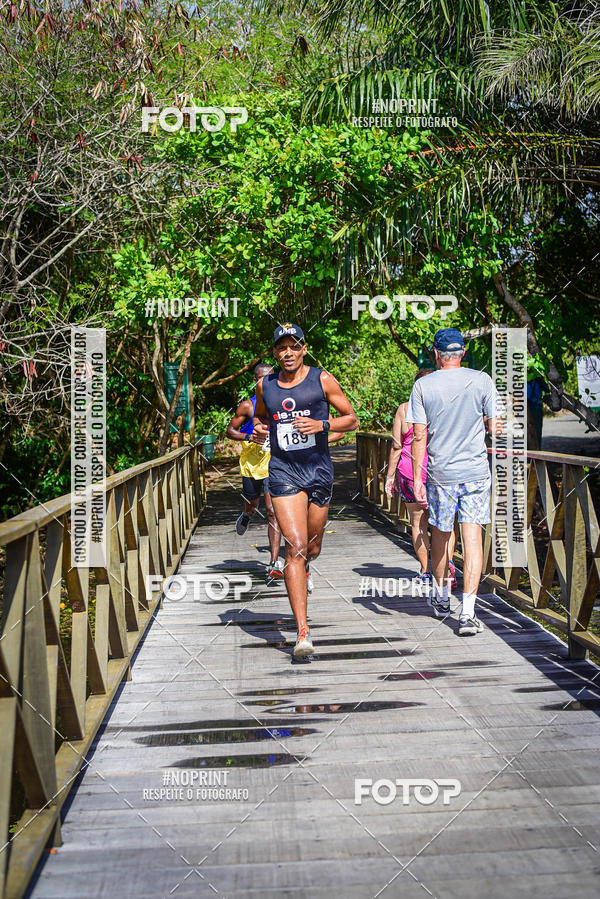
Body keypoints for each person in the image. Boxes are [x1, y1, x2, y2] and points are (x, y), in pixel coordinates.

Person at [253, 323, 358, 658]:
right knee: (294, 548)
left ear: (303, 349)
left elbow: (352, 420)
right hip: (283, 472)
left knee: (312, 547)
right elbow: (258, 419)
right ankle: (303, 632)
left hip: (318, 471)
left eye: (294, 346)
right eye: (282, 347)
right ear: (274, 352)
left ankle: (307, 565)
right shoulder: (265, 385)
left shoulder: (322, 379)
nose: (288, 353)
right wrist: (257, 432)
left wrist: (321, 425)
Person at [406, 328, 503, 636]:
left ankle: (441, 596)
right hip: (475, 473)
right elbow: (495, 428)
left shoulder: (423, 385)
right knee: (472, 539)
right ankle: (469, 613)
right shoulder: (483, 380)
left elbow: (418, 436)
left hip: (439, 475)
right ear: (462, 353)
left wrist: (419, 478)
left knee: (441, 536)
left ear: (436, 354)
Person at [385, 369, 457, 592]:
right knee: (445, 523)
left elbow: (397, 446)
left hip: (408, 472)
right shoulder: (446, 408)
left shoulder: (404, 409)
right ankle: (448, 565)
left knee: (418, 524)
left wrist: (389, 477)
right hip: (440, 472)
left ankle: (427, 571)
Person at [226, 363, 283, 583]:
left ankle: (273, 563)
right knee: (252, 504)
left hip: (274, 463)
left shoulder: (280, 403)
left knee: (272, 511)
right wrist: (248, 437)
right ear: (255, 381)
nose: (266, 383)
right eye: (262, 379)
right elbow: (230, 431)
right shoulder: (247, 406)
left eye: (271, 378)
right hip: (251, 463)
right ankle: (247, 514)